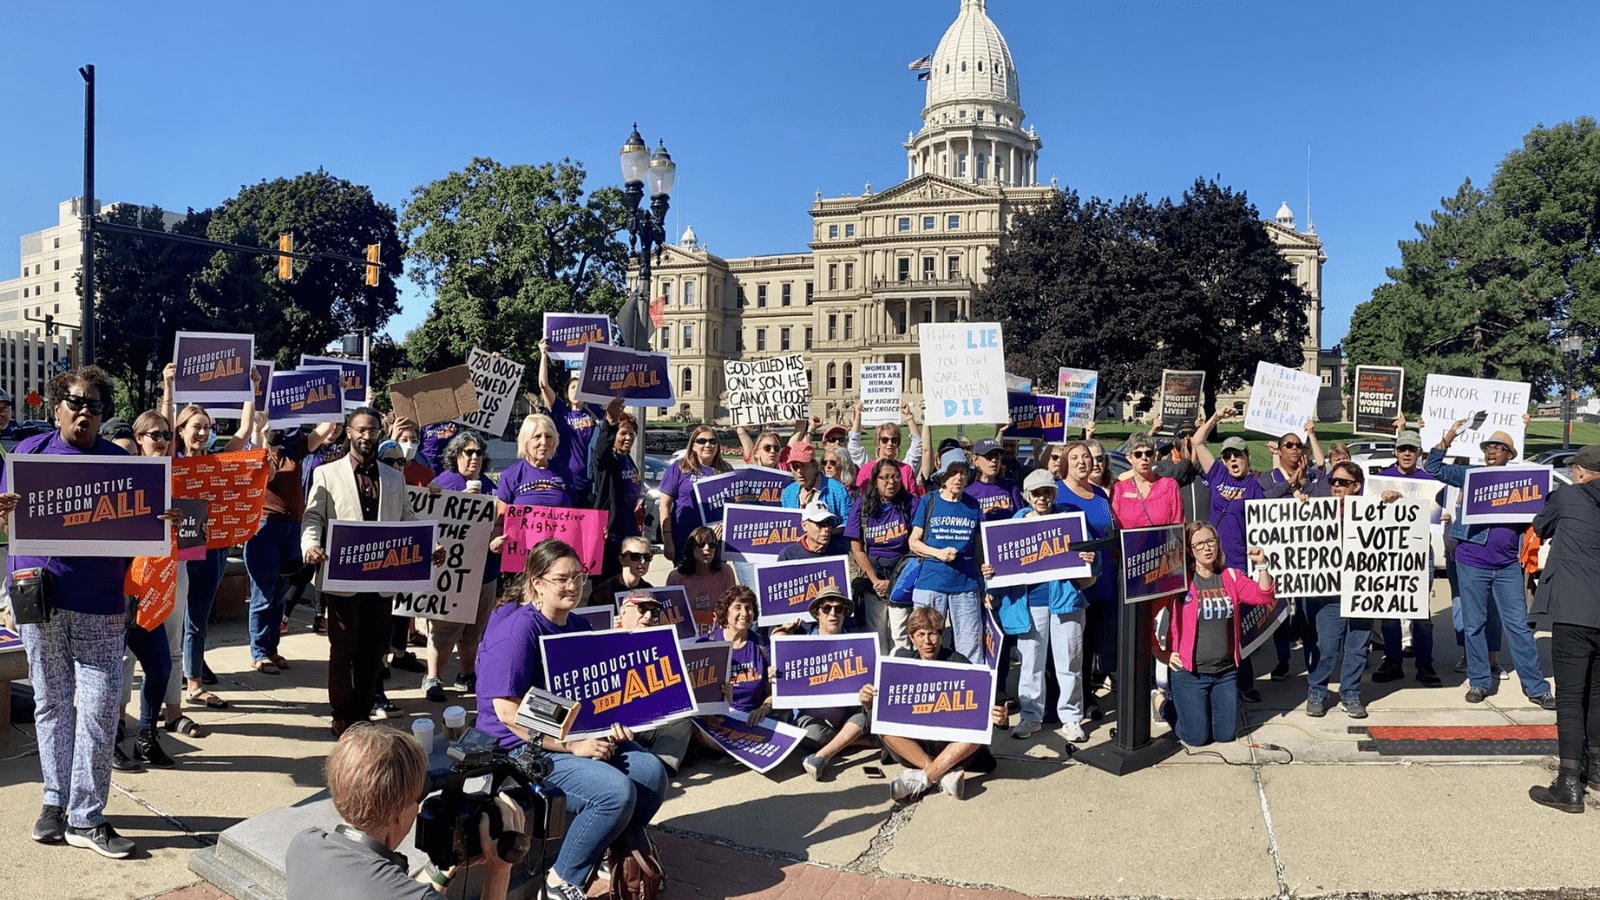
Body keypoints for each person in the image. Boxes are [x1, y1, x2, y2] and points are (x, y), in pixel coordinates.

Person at [0, 365, 181, 858]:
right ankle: (56, 802)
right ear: (57, 406)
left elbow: (154, 534)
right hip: (40, 600)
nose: (85, 412)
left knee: (100, 706)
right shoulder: (26, 456)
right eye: (76, 403)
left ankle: (86, 815)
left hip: (101, 605)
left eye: (96, 406)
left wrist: (165, 521)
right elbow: (6, 532)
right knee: (51, 703)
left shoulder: (123, 464)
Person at [476, 538, 667, 900]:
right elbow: (507, 713)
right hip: (518, 747)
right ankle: (561, 881)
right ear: (536, 582)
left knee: (651, 774)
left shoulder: (579, 626)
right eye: (562, 579)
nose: (573, 586)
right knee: (615, 793)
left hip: (573, 738)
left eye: (578, 577)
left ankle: (610, 844)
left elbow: (594, 699)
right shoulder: (519, 631)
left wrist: (617, 724)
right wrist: (571, 745)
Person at [303, 406, 441, 737]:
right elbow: (312, 517)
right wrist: (310, 545)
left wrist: (427, 544)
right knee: (343, 649)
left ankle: (362, 714)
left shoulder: (394, 476)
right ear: (349, 432)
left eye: (373, 430)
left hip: (382, 578)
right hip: (342, 576)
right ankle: (341, 712)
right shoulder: (327, 472)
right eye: (361, 430)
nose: (367, 436)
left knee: (373, 651)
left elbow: (406, 516)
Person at [285, 724, 523, 900]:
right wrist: (500, 869)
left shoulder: (303, 845)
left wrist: (443, 867)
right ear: (398, 814)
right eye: (417, 799)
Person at [1424, 421, 1555, 708]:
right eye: (1489, 447)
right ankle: (1480, 682)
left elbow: (1542, 510)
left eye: (1500, 448)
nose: (1492, 451)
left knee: (1519, 626)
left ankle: (1536, 687)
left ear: (1510, 455)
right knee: (1474, 625)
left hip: (1508, 565)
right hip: (1471, 562)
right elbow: (1432, 467)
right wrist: (1449, 436)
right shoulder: (1471, 475)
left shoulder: (1523, 481)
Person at [986, 469, 1099, 742]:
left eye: (1047, 491)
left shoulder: (1071, 521)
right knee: (1030, 664)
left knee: (1070, 662)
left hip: (1066, 600)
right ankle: (1030, 717)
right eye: (1036, 493)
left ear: (1054, 493)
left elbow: (1094, 568)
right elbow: (1000, 566)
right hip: (1029, 604)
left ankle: (1071, 718)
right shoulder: (1013, 525)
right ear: (1027, 496)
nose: (1042, 497)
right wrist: (990, 575)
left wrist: (1089, 559)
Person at [172, 376, 259, 711]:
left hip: (213, 548)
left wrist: (249, 389)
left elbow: (245, 429)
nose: (204, 433)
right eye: (197, 426)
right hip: (179, 548)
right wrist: (168, 387)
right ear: (181, 429)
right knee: (175, 618)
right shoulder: (171, 459)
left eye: (208, 427)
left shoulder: (220, 459)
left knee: (197, 618)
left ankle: (193, 683)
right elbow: (163, 422)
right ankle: (180, 672)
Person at [861, 607, 1007, 801]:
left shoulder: (959, 663)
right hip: (915, 746)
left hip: (951, 744)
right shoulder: (900, 665)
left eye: (932, 634)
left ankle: (923, 778)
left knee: (977, 730)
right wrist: (869, 704)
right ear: (912, 638)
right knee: (883, 727)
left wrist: (1000, 719)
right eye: (920, 635)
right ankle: (943, 775)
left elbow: (985, 707)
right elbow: (878, 715)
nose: (927, 641)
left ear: (941, 634)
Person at [1528, 445, 1600, 812]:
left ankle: (1569, 785)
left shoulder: (1568, 496)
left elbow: (1541, 524)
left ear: (1583, 472)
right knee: (1598, 694)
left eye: (1575, 468)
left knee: (1570, 698)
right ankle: (1597, 768)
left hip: (1574, 610)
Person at [1160, 523, 1277, 747]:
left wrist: (1262, 565)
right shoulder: (1180, 579)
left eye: (1211, 541)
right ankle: (1164, 704)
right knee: (1196, 738)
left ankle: (1201, 709)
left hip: (1225, 673)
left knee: (1224, 735)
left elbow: (1263, 597)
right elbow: (1150, 611)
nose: (1207, 548)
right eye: (1200, 544)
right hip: (1190, 674)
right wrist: (1161, 653)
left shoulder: (1230, 576)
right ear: (1189, 549)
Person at [1190, 408, 1274, 701]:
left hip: (1237, 565)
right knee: (1211, 622)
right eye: (1227, 456)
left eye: (1238, 455)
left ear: (1248, 457)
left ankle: (1244, 683)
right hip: (1209, 563)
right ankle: (1212, 680)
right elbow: (1198, 443)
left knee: (1237, 624)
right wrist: (1215, 419)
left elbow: (1267, 524)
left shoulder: (1254, 487)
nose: (1232, 460)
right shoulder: (1217, 475)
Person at [245, 420, 339, 678]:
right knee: (263, 595)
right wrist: (263, 438)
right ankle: (259, 652)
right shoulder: (257, 450)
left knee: (280, 595)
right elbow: (267, 474)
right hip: (265, 528)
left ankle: (272, 648)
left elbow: (325, 428)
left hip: (292, 528)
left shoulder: (294, 450)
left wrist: (338, 392)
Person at [420, 430, 501, 703]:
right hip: (452, 574)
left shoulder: (490, 487)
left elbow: (500, 522)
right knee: (443, 630)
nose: (475, 457)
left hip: (485, 572)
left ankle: (467, 675)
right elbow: (424, 519)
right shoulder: (442, 483)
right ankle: (433, 677)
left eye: (479, 452)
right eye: (468, 452)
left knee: (473, 632)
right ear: (455, 456)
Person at [1292, 461, 1375, 718]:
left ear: (1357, 486)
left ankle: (1350, 694)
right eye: (1333, 482)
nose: (1336, 486)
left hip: (1363, 589)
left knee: (1358, 647)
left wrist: (1394, 500)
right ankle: (1317, 692)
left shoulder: (1373, 509)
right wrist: (1300, 505)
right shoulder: (1318, 509)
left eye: (1343, 482)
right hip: (1331, 591)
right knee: (1326, 646)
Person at [771, 586, 875, 781]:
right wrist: (777, 675)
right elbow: (778, 644)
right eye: (827, 608)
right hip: (811, 719)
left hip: (846, 715)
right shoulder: (800, 645)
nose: (833, 613)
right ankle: (855, 740)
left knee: (864, 717)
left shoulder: (857, 645)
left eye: (839, 608)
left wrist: (867, 695)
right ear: (817, 613)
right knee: (811, 735)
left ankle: (822, 756)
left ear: (845, 613)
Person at [1372, 426, 1445, 687]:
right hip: (1390, 555)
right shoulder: (1381, 479)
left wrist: (1444, 513)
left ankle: (1425, 664)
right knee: (1391, 612)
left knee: (1421, 613)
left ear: (1419, 453)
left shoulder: (1430, 481)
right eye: (1402, 449)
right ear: (1395, 451)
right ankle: (1392, 661)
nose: (1406, 453)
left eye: (1411, 450)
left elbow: (1441, 511)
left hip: (1420, 554)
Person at [1055, 440, 1117, 719]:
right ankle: (1062, 704)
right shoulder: (1056, 494)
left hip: (1101, 582)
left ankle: (1087, 696)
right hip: (1069, 586)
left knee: (1089, 645)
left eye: (1088, 457)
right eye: (1076, 457)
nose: (1083, 462)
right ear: (1065, 463)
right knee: (1068, 650)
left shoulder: (1102, 496)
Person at [907, 449, 985, 663]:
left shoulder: (973, 505)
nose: (959, 477)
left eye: (963, 472)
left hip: (966, 584)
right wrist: (938, 553)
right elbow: (913, 542)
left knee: (971, 647)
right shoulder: (929, 501)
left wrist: (984, 581)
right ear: (943, 476)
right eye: (953, 472)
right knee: (926, 643)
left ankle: (971, 690)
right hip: (931, 582)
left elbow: (978, 548)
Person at [613, 591, 694, 775]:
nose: (648, 616)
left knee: (682, 718)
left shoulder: (657, 643)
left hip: (646, 720)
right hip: (617, 725)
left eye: (654, 613)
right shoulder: (606, 641)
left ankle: (658, 767)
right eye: (642, 609)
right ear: (624, 611)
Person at [846, 458, 915, 652]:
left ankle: (900, 676)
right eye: (884, 478)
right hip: (873, 579)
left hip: (902, 576)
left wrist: (893, 582)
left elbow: (916, 545)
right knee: (877, 631)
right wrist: (875, 580)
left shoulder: (911, 504)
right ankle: (881, 677)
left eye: (895, 477)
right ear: (875, 480)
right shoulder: (862, 507)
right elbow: (857, 549)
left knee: (900, 631)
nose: (891, 482)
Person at [539, 339, 601, 507]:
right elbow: (544, 385)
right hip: (564, 481)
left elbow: (614, 404)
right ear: (566, 393)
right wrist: (543, 354)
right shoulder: (561, 411)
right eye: (573, 387)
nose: (577, 390)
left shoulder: (594, 412)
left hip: (589, 484)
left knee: (588, 531)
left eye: (580, 387)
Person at [697, 586, 774, 721]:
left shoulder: (763, 645)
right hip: (715, 719)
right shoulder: (705, 644)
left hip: (754, 719)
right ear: (726, 612)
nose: (744, 613)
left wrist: (764, 708)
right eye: (737, 607)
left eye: (748, 608)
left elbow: (774, 690)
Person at [658, 424, 731, 564]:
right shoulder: (680, 467)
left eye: (712, 441)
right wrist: (668, 540)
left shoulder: (726, 470)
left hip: (714, 543)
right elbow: (664, 506)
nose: (708, 445)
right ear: (693, 445)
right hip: (685, 539)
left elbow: (732, 506)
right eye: (702, 441)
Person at [589, 398, 643, 581]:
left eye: (632, 434)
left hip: (630, 537)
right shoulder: (608, 460)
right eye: (624, 433)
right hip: (610, 541)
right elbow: (600, 451)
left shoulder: (627, 459)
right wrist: (611, 421)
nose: (628, 438)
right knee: (607, 589)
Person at [665, 526, 737, 634]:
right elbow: (672, 615)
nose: (707, 548)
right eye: (701, 544)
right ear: (691, 548)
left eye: (712, 545)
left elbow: (731, 607)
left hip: (719, 633)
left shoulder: (725, 572)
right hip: (688, 634)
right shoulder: (676, 577)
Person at [845, 402, 924, 496]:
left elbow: (918, 446)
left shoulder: (905, 470)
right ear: (878, 443)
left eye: (894, 440)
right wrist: (858, 415)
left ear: (898, 443)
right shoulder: (867, 469)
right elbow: (854, 447)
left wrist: (908, 416)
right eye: (885, 440)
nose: (890, 443)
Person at [1111, 432, 1183, 529]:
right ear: (1129, 458)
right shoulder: (1119, 489)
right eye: (1138, 454)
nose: (1144, 458)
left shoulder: (1170, 485)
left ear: (1154, 457)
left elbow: (1178, 524)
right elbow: (1114, 526)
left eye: (1148, 453)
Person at [781, 441, 851, 521]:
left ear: (815, 466)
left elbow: (849, 524)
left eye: (803, 465)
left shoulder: (837, 490)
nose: (799, 471)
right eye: (795, 466)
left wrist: (826, 532)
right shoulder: (789, 492)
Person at [966, 439, 1021, 521]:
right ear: (975, 460)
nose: (994, 460)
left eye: (997, 456)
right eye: (989, 456)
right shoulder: (967, 491)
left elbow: (1021, 516)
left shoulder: (1010, 486)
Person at [592, 536, 654, 609]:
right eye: (635, 556)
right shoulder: (602, 593)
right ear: (622, 560)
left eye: (647, 557)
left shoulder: (649, 590)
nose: (643, 561)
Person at [778, 500, 851, 561]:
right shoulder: (789, 555)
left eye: (828, 523)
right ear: (804, 525)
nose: (826, 528)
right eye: (820, 523)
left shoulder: (841, 551)